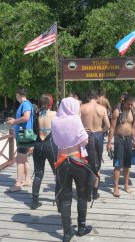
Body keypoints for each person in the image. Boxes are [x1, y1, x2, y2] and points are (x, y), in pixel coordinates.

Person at [52, 97, 94, 242]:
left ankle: (66, 233)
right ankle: (81, 227)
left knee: (65, 198)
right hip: (77, 160)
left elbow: (57, 143)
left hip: (62, 161)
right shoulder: (75, 119)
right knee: (81, 194)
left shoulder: (55, 120)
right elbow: (85, 139)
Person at [80, 90, 110, 199]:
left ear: (88, 97)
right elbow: (108, 125)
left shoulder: (82, 107)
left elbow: (77, 123)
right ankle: (95, 192)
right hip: (97, 135)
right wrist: (100, 131)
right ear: (97, 97)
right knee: (97, 163)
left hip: (85, 135)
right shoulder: (102, 108)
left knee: (84, 163)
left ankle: (86, 191)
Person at [31, 94, 58, 210]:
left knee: (38, 174)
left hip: (38, 144)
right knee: (57, 173)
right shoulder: (55, 114)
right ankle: (58, 199)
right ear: (50, 104)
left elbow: (33, 130)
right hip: (50, 144)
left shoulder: (36, 114)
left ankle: (34, 202)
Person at [5, 87, 34, 192]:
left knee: (19, 159)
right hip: (27, 133)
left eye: (16, 94)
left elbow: (26, 117)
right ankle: (27, 180)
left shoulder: (25, 104)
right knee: (24, 158)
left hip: (24, 133)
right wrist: (15, 121)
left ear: (18, 94)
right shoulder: (28, 104)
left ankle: (17, 184)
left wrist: (14, 122)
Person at [107, 95, 135, 197]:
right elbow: (111, 128)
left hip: (128, 139)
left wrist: (134, 140)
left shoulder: (132, 112)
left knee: (127, 164)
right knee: (118, 164)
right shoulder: (117, 112)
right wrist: (109, 143)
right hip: (119, 139)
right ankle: (116, 188)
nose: (130, 106)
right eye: (129, 104)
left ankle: (126, 185)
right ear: (124, 102)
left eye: (132, 104)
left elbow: (133, 128)